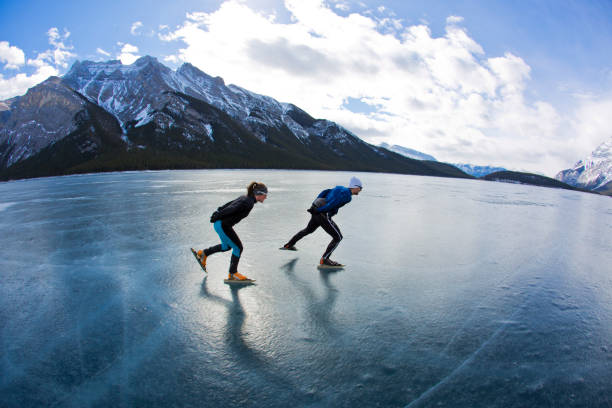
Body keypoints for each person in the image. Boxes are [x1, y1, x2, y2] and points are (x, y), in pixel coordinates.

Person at [281, 176, 362, 267]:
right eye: (360, 188)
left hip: (317, 207)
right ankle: (325, 259)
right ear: (355, 187)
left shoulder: (340, 188)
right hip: (322, 212)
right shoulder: (347, 196)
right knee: (338, 237)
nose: (360, 190)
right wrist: (319, 210)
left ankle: (289, 245)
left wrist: (314, 204)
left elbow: (325, 191)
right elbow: (332, 204)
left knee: (308, 230)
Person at [195, 181, 268, 281]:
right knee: (238, 248)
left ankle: (203, 253)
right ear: (259, 194)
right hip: (223, 225)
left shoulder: (245, 198)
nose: (266, 197)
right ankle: (233, 274)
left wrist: (218, 212)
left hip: (220, 224)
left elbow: (229, 204)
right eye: (265, 195)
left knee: (226, 246)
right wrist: (218, 215)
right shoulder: (248, 202)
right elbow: (232, 208)